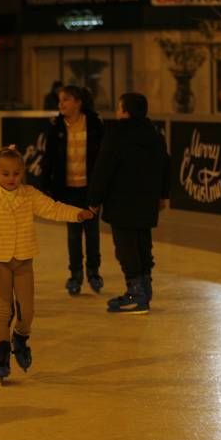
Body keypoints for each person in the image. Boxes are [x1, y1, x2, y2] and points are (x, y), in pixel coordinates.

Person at [0, 147, 93, 383]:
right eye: (5, 174)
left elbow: (53, 208)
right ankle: (1, 354)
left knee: (27, 311)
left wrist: (76, 214)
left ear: (23, 172)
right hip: (0, 261)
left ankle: (20, 337)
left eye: (16, 173)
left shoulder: (29, 194)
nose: (11, 178)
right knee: (5, 309)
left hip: (24, 260)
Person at [88, 93, 170, 314]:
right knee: (143, 244)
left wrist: (94, 200)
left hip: (121, 202)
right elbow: (164, 164)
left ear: (125, 111)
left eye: (118, 107)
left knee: (126, 248)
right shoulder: (154, 134)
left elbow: (103, 168)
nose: (116, 111)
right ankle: (145, 288)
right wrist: (163, 195)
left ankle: (136, 294)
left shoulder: (117, 134)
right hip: (146, 202)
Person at [41, 85, 105, 296]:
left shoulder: (95, 124)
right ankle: (75, 275)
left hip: (90, 189)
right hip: (68, 190)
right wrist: (45, 188)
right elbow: (48, 159)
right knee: (73, 235)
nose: (61, 104)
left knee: (93, 233)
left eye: (66, 99)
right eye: (60, 100)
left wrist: (103, 187)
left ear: (78, 102)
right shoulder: (56, 127)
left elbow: (103, 158)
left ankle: (94, 273)